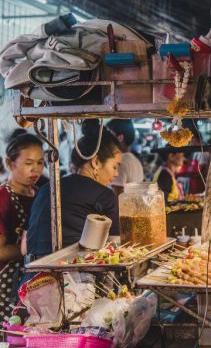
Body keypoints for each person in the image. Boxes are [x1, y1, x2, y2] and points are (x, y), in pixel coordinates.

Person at [26, 120, 122, 259]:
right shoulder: (105, 195)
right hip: (72, 273)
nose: (116, 173)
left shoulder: (47, 188)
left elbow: (25, 245)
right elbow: (115, 246)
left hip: (32, 273)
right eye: (115, 166)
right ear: (95, 162)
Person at [0, 131, 43, 317]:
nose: (36, 170)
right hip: (7, 285)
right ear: (10, 163)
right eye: (28, 163)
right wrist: (29, 249)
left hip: (34, 280)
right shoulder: (3, 198)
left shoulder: (40, 194)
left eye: (40, 163)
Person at [106, 119, 144, 196]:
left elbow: (117, 196)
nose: (107, 138)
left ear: (120, 137)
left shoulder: (120, 161)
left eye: (110, 134)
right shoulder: (135, 160)